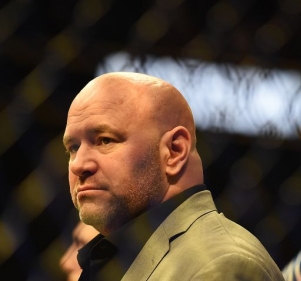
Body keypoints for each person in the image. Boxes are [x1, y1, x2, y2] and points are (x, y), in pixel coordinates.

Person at [62, 72, 285, 280]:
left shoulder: (218, 266)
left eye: (105, 140)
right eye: (73, 148)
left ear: (174, 151)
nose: (79, 164)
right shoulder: (128, 258)